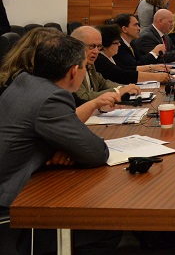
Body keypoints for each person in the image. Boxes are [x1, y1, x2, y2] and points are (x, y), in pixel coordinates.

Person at [0, 34, 122, 255]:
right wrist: (71, 147)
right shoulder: (51, 98)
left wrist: (63, 146)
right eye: (85, 66)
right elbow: (96, 152)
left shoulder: (23, 81)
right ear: (74, 71)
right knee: (106, 229)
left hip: (17, 177)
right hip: (12, 201)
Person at [71, 26, 140, 101]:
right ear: (77, 46)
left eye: (99, 46)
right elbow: (84, 97)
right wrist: (119, 91)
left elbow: (103, 83)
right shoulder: (71, 67)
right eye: (92, 46)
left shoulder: (90, 63)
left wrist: (123, 88)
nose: (96, 51)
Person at [94, 25, 167, 85]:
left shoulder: (110, 57)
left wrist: (152, 67)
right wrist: (156, 77)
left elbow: (126, 68)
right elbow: (121, 75)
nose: (119, 45)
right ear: (105, 46)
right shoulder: (100, 59)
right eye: (116, 43)